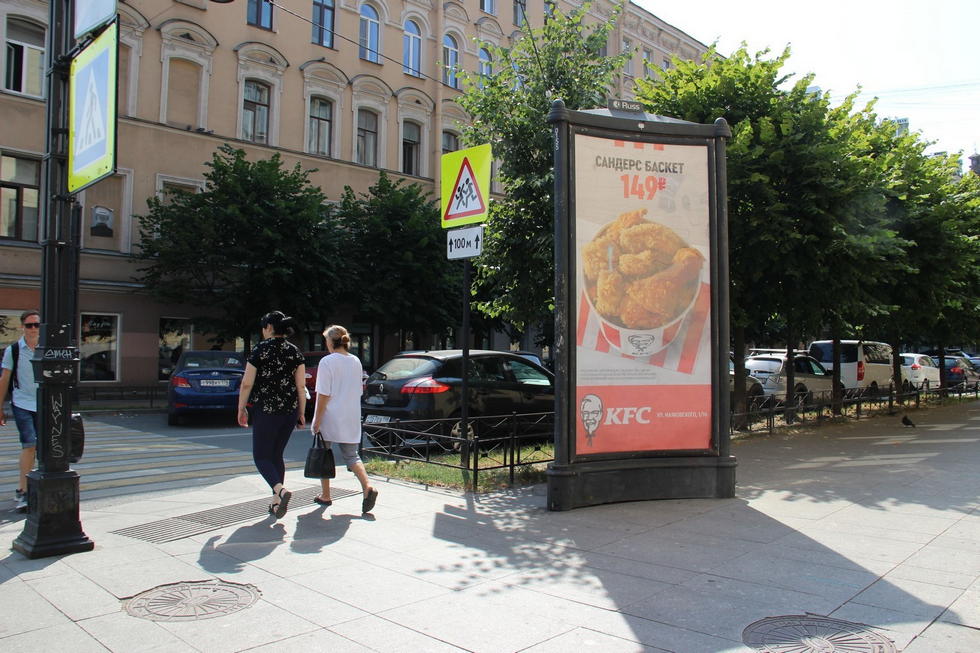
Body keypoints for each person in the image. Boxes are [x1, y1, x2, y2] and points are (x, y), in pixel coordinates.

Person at [237, 311, 306, 519]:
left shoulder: (260, 349)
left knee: (261, 457)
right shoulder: (294, 351)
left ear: (268, 328)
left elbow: (247, 383)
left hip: (266, 411)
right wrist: (301, 413)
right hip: (289, 411)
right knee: (276, 456)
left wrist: (241, 408)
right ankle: (276, 502)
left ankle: (281, 491)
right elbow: (301, 386)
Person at [311, 324, 378, 513]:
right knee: (351, 456)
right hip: (351, 414)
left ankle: (326, 495)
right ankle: (367, 487)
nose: (326, 344)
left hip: (330, 415)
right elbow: (359, 390)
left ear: (331, 342)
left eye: (326, 340)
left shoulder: (327, 362)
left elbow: (323, 394)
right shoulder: (356, 361)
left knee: (323, 453)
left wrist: (317, 420)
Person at [0, 310, 41, 512]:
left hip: (44, 405)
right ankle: (24, 491)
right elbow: (4, 379)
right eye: (29, 325)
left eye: (37, 325)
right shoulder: (14, 350)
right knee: (30, 444)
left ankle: (32, 488)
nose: (33, 329)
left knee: (44, 449)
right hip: (22, 403)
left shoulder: (47, 348)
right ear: (22, 327)